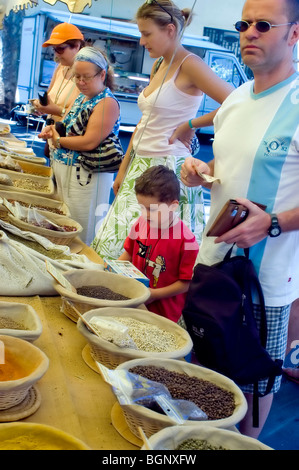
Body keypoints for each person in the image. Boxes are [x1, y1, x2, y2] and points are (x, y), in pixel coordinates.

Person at [181, 0, 299, 438]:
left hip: (264, 281)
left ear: (294, 34)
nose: (250, 32)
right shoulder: (233, 99)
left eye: (264, 24)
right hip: (212, 262)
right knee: (207, 374)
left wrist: (273, 223)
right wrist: (196, 173)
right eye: (244, 23)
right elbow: (225, 177)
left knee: (250, 385)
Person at [91, 0, 233, 260]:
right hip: (140, 163)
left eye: (146, 34)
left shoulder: (190, 64)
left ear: (169, 30)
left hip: (168, 168)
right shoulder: (159, 64)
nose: (142, 42)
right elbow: (144, 123)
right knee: (119, 245)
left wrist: (190, 124)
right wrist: (124, 168)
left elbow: (235, 102)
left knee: (153, 254)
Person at [39, 46, 122, 245]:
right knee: (63, 224)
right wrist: (52, 131)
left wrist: (58, 141)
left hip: (86, 177)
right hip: (66, 171)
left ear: (102, 74)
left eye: (86, 77)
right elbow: (65, 126)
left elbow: (89, 141)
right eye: (77, 77)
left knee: (80, 231)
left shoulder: (107, 103)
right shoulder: (82, 97)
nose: (81, 82)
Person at [119, 165, 199, 323]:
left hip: (163, 313)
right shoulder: (141, 223)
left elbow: (185, 283)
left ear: (173, 205)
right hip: (134, 299)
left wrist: (153, 294)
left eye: (152, 210)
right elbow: (129, 253)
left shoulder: (186, 241)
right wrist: (111, 271)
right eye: (142, 207)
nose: (145, 214)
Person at [33, 23, 85, 122]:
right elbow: (49, 97)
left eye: (60, 48)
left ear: (77, 46)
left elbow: (86, 118)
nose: (56, 53)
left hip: (68, 136)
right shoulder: (61, 67)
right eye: (54, 49)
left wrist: (58, 111)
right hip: (50, 133)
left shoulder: (86, 75)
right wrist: (40, 106)